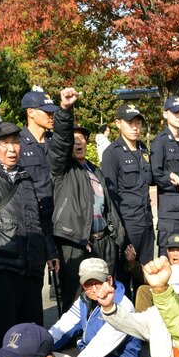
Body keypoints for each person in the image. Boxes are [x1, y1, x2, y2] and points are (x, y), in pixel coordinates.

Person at [50, 87, 124, 311]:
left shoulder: (95, 171)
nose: (78, 142)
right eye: (74, 139)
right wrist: (65, 110)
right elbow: (61, 141)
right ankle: (72, 340)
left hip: (102, 239)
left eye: (82, 138)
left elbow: (109, 207)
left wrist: (120, 239)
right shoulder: (62, 169)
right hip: (75, 241)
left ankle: (101, 332)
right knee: (75, 294)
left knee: (103, 291)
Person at [0, 122, 57, 347]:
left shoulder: (26, 177)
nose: (12, 149)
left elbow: (36, 219)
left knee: (32, 330)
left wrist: (49, 251)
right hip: (2, 268)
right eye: (4, 144)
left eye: (15, 143)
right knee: (7, 333)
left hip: (31, 267)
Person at [48, 258, 141, 357]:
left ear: (108, 280)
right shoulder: (83, 300)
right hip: (86, 350)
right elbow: (63, 326)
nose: (94, 289)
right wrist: (40, 349)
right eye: (88, 284)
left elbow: (100, 346)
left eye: (98, 282)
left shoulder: (124, 305)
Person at [101, 103, 154, 270]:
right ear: (118, 123)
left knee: (146, 273)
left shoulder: (143, 150)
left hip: (146, 221)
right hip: (128, 224)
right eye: (130, 123)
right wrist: (119, 231)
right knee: (124, 273)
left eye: (138, 123)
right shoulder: (111, 153)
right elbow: (110, 195)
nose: (135, 127)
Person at [18, 90, 59, 272]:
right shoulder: (18, 143)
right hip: (32, 220)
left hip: (58, 218)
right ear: (31, 112)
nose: (52, 116)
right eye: (47, 112)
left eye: (53, 112)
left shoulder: (54, 142)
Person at [150, 96, 179, 252]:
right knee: (169, 259)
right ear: (165, 114)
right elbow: (156, 173)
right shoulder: (160, 141)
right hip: (171, 214)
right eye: (176, 112)